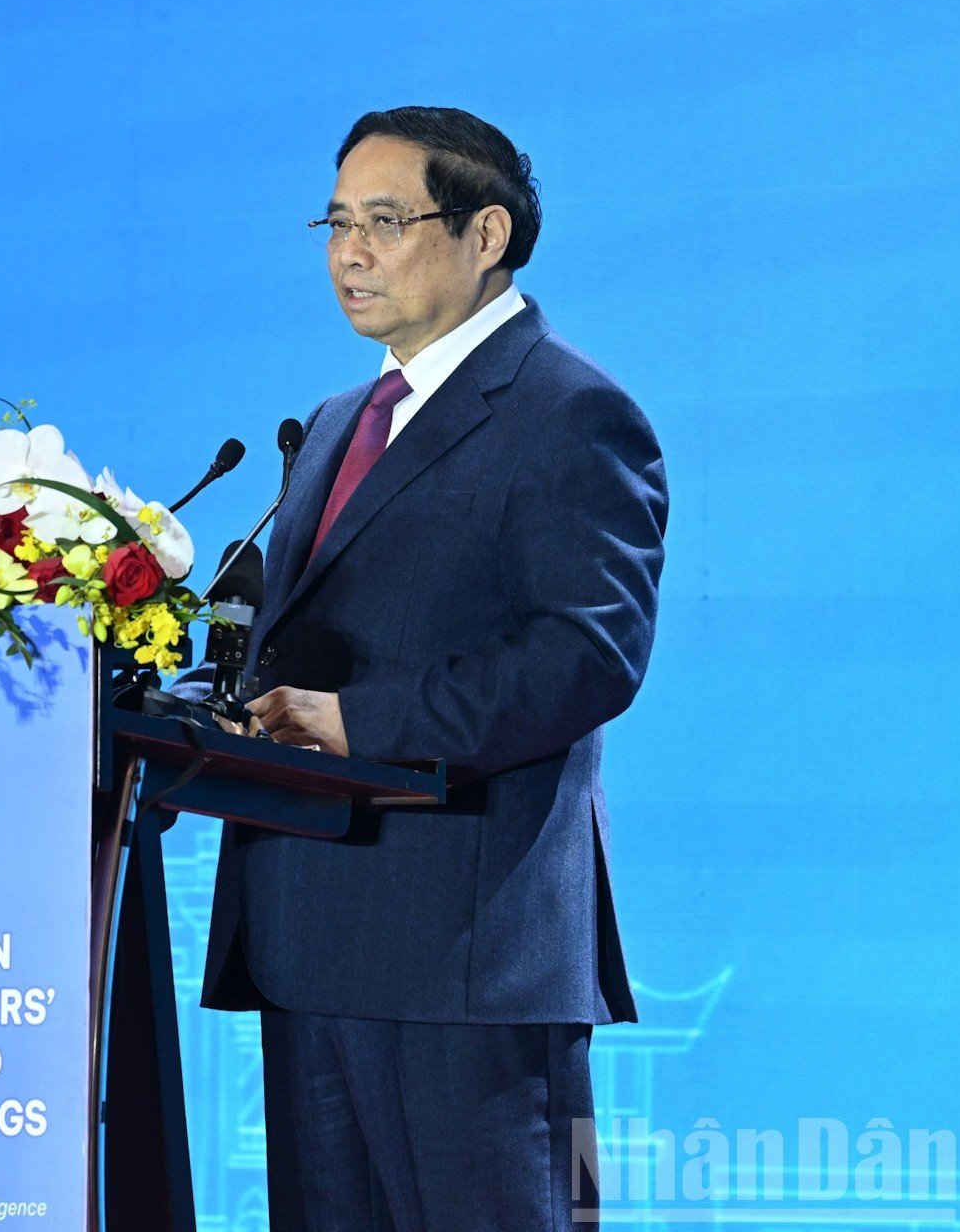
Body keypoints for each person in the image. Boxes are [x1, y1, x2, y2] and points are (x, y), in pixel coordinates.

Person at [192, 107, 667, 1230]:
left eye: (385, 221)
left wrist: (362, 720)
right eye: (335, 224)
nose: (349, 253)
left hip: (470, 959)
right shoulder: (335, 421)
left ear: (485, 233)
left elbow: (586, 652)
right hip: (308, 943)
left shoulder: (571, 412)